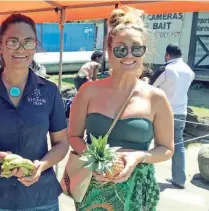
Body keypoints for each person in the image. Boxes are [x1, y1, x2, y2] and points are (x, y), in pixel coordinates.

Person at [67, 7, 175, 211]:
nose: (129, 55)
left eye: (136, 48)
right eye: (120, 48)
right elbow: (73, 136)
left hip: (137, 191)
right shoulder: (88, 91)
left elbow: (167, 149)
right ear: (109, 51)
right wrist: (95, 160)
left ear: (144, 51)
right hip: (93, 186)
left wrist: (139, 157)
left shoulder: (156, 98)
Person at [0, 14, 69, 211]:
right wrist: (4, 158)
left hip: (40, 198)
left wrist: (41, 166)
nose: (21, 49)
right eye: (13, 42)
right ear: (0, 45)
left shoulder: (50, 91)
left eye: (28, 42)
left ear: (35, 46)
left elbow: (62, 143)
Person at [151, 43, 195, 189]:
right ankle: (180, 179)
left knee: (148, 142)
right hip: (181, 113)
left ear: (167, 54)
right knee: (178, 145)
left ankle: (146, 178)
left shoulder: (166, 70)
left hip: (161, 113)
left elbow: (150, 88)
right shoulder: (189, 70)